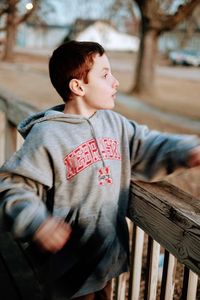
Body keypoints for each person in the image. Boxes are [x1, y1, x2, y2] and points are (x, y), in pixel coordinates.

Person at [0, 40, 200, 300]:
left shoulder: (115, 124)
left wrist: (187, 150)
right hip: (67, 265)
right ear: (78, 86)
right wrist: (37, 222)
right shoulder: (48, 135)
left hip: (106, 260)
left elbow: (148, 144)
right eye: (105, 75)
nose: (115, 82)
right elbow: (13, 185)